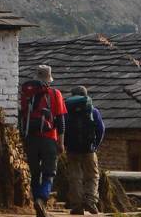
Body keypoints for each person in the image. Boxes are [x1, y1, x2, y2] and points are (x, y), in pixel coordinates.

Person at [18, 64, 68, 217]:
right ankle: (41, 199)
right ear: (49, 79)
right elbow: (60, 121)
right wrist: (61, 143)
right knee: (49, 173)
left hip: (31, 138)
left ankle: (37, 203)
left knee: (34, 173)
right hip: (49, 139)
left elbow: (22, 115)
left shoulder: (27, 94)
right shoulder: (55, 94)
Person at [60, 85, 105, 215]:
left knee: (75, 176)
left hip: (72, 149)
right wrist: (95, 145)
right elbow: (101, 129)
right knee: (93, 175)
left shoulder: (67, 111)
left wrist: (65, 144)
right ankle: (90, 201)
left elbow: (62, 128)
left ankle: (77, 205)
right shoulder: (93, 111)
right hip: (89, 148)